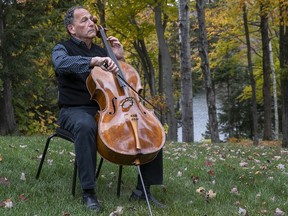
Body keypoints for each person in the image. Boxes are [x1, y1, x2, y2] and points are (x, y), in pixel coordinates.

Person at [51, 5, 165, 212]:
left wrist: (118, 58)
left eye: (91, 20)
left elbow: (121, 83)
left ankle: (143, 190)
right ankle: (89, 192)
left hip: (107, 108)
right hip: (74, 110)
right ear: (71, 28)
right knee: (86, 126)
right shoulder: (62, 48)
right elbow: (61, 64)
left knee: (149, 122)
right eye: (83, 20)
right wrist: (92, 61)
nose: (90, 23)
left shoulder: (103, 50)